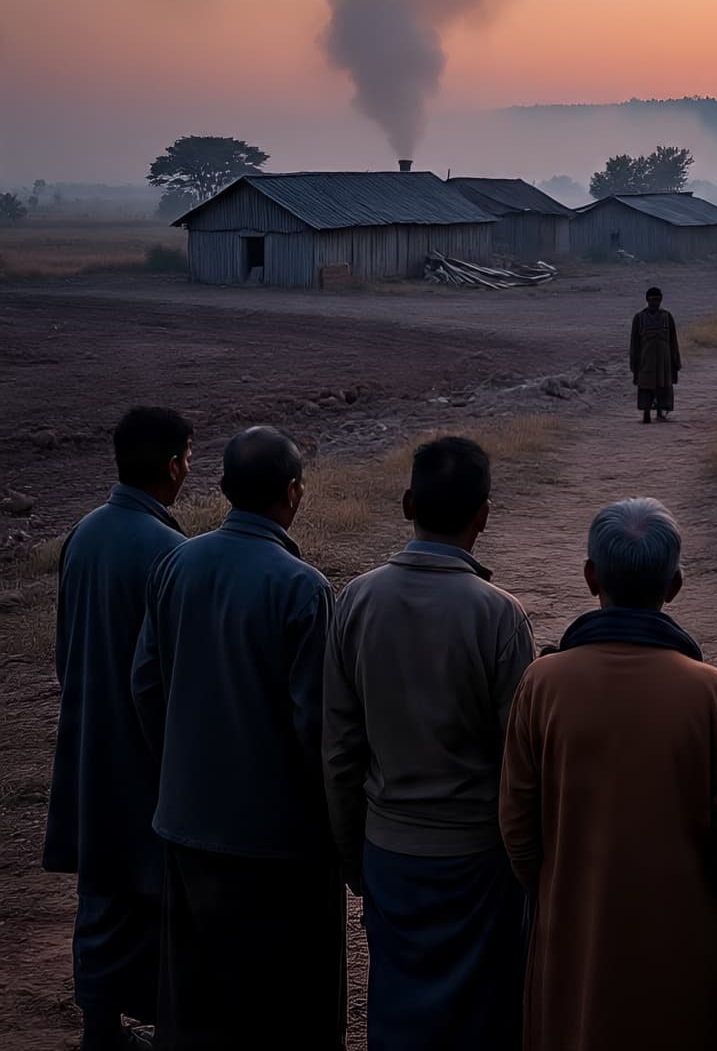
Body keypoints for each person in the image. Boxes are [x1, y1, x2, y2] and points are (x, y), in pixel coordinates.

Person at [500, 498, 717, 1051]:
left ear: (591, 577)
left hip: (574, 928)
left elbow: (517, 825)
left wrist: (560, 887)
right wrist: (706, 896)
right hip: (680, 935)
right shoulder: (709, 689)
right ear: (676, 584)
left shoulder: (543, 684)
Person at [132, 427, 343, 1050]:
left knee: (195, 996)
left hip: (187, 822)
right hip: (277, 840)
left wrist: (179, 768)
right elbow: (315, 728)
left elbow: (144, 683)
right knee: (288, 1001)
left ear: (222, 490)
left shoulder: (175, 564)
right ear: (295, 492)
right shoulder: (302, 587)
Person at [324, 437, 534, 1051]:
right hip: (477, 856)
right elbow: (519, 761)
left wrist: (351, 855)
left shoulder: (355, 601)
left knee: (397, 1003)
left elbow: (339, 749)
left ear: (407, 502)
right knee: (486, 1010)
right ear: (484, 514)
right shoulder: (499, 616)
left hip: (390, 849)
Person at [43, 407, 192, 1051]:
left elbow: (62, 646)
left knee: (100, 892)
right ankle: (165, 1026)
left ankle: (99, 1029)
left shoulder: (85, 531)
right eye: (187, 454)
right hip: (146, 752)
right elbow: (173, 675)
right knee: (159, 899)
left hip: (86, 740)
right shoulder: (171, 552)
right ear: (173, 465)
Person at [630, 286, 681, 423]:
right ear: (647, 300)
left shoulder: (667, 317)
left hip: (664, 361)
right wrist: (634, 365)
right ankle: (646, 414)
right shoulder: (639, 318)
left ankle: (660, 413)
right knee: (646, 387)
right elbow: (634, 344)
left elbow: (673, 341)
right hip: (645, 360)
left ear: (661, 300)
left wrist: (676, 361)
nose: (654, 303)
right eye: (652, 300)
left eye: (657, 300)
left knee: (663, 386)